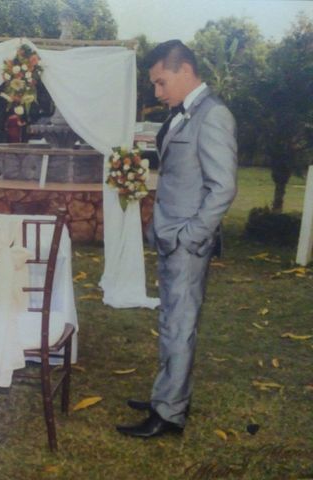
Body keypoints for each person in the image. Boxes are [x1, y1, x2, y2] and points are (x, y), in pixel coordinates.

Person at [116, 40, 238, 438]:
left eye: (160, 82)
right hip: (170, 237)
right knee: (171, 322)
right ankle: (166, 396)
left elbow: (223, 188)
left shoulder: (213, 115)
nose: (157, 92)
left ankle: (168, 415)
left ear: (185, 71)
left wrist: (190, 236)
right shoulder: (182, 114)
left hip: (186, 243)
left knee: (180, 324)